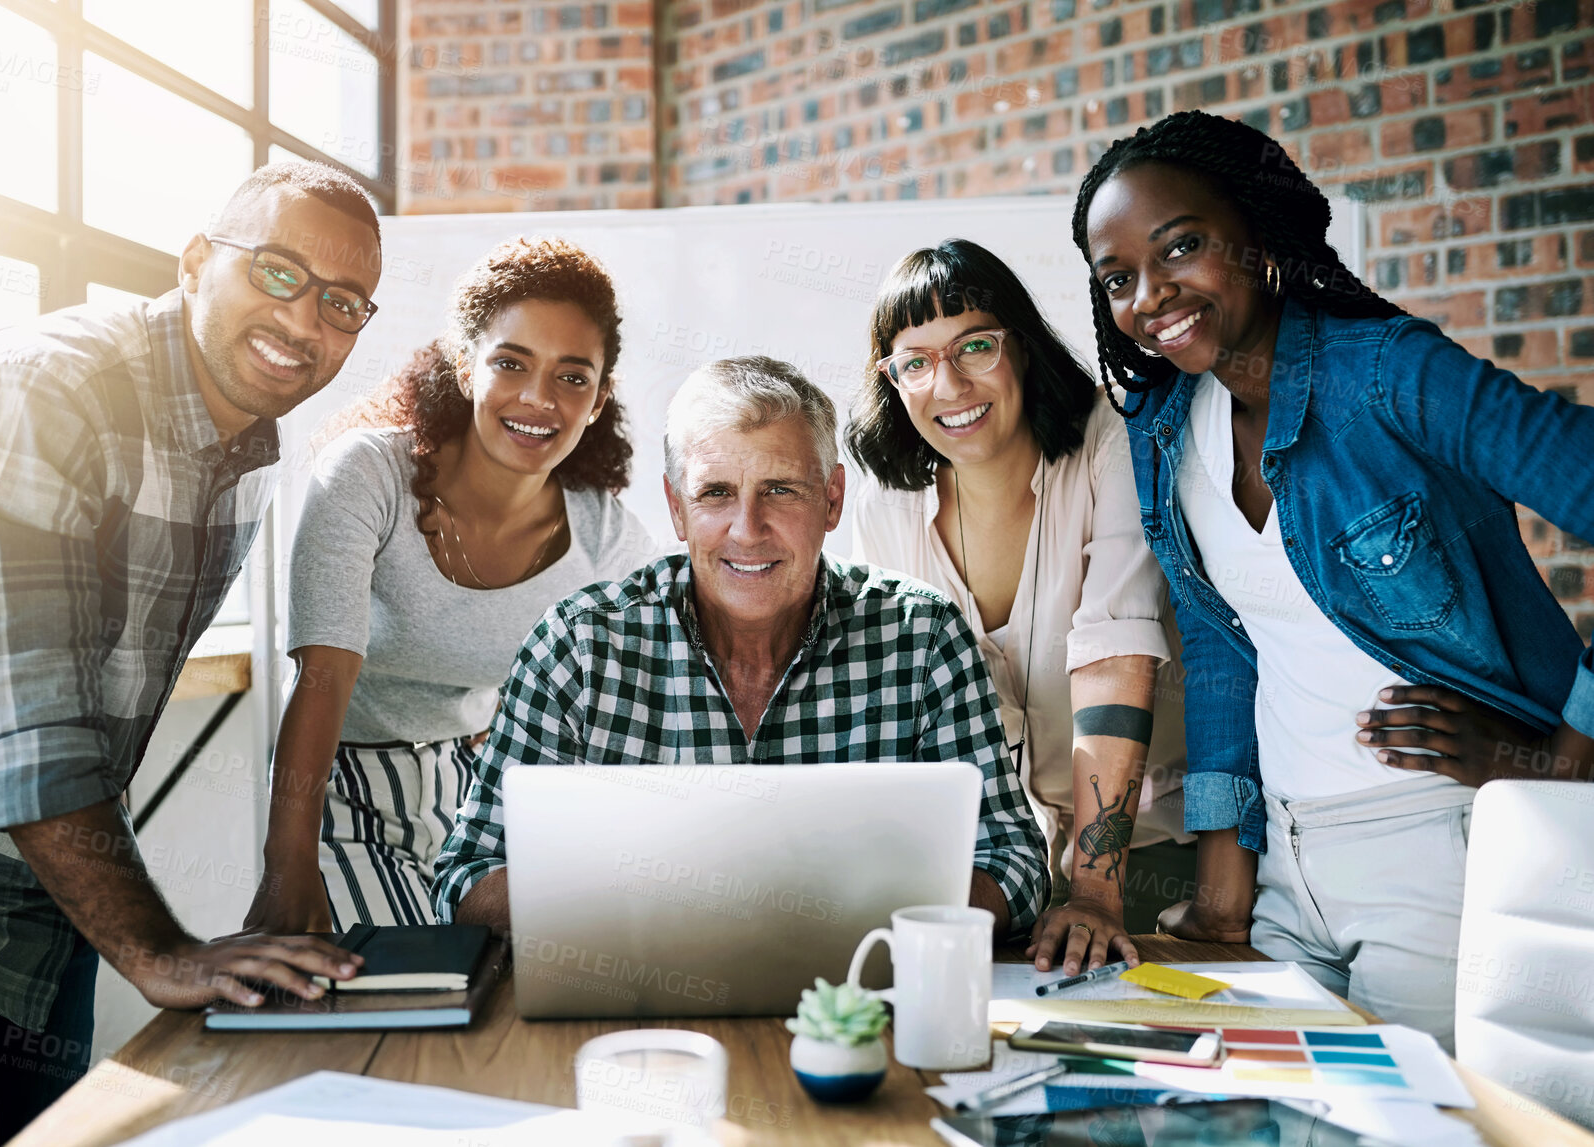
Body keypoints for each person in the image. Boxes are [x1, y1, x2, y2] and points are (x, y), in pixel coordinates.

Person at [0, 161, 382, 1142]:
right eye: (276, 272)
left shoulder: (249, 451)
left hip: (41, 913)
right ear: (193, 263)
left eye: (343, 303)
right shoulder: (47, 389)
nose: (305, 321)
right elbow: (23, 715)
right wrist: (159, 948)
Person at [1075, 109, 1594, 1049]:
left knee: (1411, 1123)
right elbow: (1222, 646)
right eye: (1118, 278)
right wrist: (1223, 874)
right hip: (1283, 863)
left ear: (1258, 234)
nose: (1150, 295)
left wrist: (1554, 765)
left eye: (1179, 246)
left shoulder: (1392, 375)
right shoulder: (1162, 424)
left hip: (1440, 850)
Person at [428, 356, 1051, 938]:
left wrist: (864, 920)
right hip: (631, 1004)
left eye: (780, 490)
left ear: (831, 500)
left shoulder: (923, 638)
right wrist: (646, 914)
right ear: (676, 509)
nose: (747, 530)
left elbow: (1014, 861)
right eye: (715, 493)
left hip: (863, 1004)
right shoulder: (579, 645)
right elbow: (469, 873)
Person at [242, 237, 658, 933]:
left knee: (513, 991)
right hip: (341, 790)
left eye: (572, 376)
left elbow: (616, 713)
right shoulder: (368, 476)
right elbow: (320, 677)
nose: (538, 398)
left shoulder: (609, 538)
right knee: (396, 997)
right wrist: (288, 870)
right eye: (510, 363)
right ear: (465, 367)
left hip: (485, 803)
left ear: (598, 398)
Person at [844, 239, 1193, 976]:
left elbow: (1114, 659)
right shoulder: (887, 509)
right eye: (914, 361)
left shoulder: (1110, 441)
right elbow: (896, 713)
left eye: (974, 345)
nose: (948, 385)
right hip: (1019, 877)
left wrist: (1096, 894)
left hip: (1167, 855)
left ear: (1022, 347)